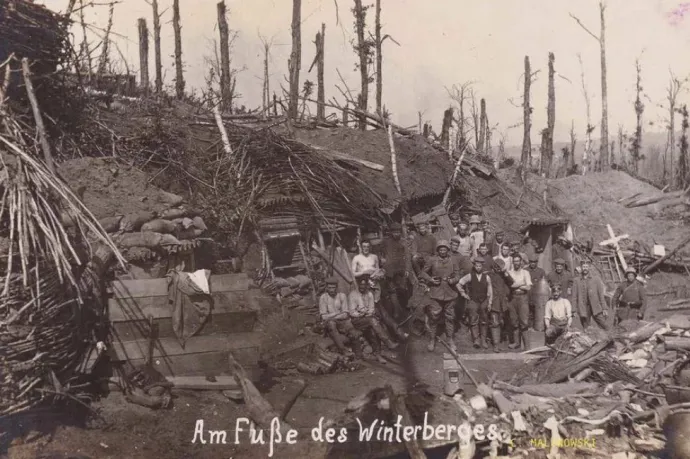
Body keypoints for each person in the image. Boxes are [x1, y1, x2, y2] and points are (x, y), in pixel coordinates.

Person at [419, 240, 460, 352]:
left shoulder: (453, 260)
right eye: (440, 249)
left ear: (448, 250)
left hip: (450, 293)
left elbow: (457, 274)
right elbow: (423, 273)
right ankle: (432, 339)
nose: (443, 251)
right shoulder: (432, 260)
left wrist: (453, 280)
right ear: (438, 250)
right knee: (434, 317)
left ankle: (450, 339)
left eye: (445, 249)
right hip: (436, 293)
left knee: (450, 317)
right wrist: (430, 279)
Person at [349, 275, 398, 363]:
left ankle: (378, 355)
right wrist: (361, 313)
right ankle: (388, 342)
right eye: (361, 285)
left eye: (365, 285)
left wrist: (367, 312)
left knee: (373, 329)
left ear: (367, 285)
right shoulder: (353, 295)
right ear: (358, 285)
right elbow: (352, 312)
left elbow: (371, 309)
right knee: (373, 321)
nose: (363, 287)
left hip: (368, 319)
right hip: (357, 321)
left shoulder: (370, 294)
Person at [319, 277, 363, 357]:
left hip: (342, 321)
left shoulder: (342, 296)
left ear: (337, 287)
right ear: (326, 288)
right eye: (329, 288)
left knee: (352, 331)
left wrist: (332, 315)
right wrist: (337, 313)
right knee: (331, 324)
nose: (332, 290)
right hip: (330, 322)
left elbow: (345, 314)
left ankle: (359, 355)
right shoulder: (323, 298)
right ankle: (343, 350)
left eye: (333, 288)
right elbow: (324, 317)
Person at [457, 257, 493, 349]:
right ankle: (476, 340)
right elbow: (459, 284)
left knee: (484, 320)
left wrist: (489, 302)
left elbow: (490, 290)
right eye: (476, 266)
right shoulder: (470, 276)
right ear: (474, 266)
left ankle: (483, 340)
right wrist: (463, 294)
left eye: (480, 266)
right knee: (473, 320)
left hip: (484, 301)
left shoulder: (487, 277)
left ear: (482, 266)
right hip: (473, 301)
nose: (478, 267)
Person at [380, 223, 411, 319]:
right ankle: (397, 311)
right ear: (391, 232)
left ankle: (406, 308)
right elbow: (379, 252)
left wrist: (407, 269)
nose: (396, 234)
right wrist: (381, 259)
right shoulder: (386, 241)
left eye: (398, 232)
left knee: (402, 289)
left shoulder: (403, 242)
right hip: (390, 270)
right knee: (392, 290)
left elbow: (408, 256)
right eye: (394, 232)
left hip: (400, 270)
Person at [572, 260, 609, 330]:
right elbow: (574, 296)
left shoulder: (596, 279)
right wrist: (574, 310)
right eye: (583, 267)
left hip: (595, 306)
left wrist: (604, 308)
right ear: (581, 268)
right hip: (583, 307)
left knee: (605, 325)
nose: (585, 268)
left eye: (586, 267)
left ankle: (610, 339)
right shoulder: (576, 280)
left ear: (589, 268)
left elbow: (601, 295)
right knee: (586, 328)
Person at [487, 258, 514, 352]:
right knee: (494, 323)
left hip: (502, 303)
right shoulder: (488, 275)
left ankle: (500, 342)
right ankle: (495, 344)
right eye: (497, 267)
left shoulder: (503, 275)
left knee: (502, 322)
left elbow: (511, 282)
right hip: (493, 302)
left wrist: (505, 273)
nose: (498, 269)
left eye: (500, 267)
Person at [507, 254, 532, 349]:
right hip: (512, 297)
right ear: (513, 262)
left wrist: (517, 284)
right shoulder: (510, 273)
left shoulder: (525, 273)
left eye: (518, 261)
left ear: (521, 262)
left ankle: (527, 345)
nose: (516, 263)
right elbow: (510, 286)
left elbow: (528, 287)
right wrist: (522, 283)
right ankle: (516, 343)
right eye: (515, 261)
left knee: (524, 321)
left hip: (523, 297)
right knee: (514, 321)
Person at [527, 256, 546, 328]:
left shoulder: (541, 271)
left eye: (534, 262)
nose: (532, 264)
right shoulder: (525, 270)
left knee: (537, 312)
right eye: (531, 262)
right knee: (528, 313)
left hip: (538, 296)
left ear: (537, 262)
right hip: (528, 295)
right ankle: (529, 327)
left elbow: (544, 283)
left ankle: (537, 327)